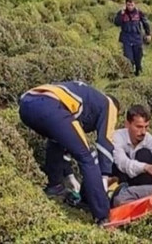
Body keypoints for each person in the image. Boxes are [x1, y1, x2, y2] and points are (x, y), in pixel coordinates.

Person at [18, 81, 119, 226]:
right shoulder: (109, 105)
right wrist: (104, 178)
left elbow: (67, 143)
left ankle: (55, 187)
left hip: (27, 104)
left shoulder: (89, 100)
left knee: (56, 140)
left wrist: (70, 175)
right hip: (50, 104)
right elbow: (105, 145)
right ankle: (103, 217)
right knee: (88, 157)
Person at [111, 104, 152, 206]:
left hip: (141, 184)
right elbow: (122, 162)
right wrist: (145, 167)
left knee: (145, 154)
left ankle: (139, 198)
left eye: (146, 127)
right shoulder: (117, 137)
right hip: (120, 178)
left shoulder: (151, 141)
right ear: (127, 124)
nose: (143, 132)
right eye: (139, 127)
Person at [114, 0, 151, 76]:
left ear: (134, 4)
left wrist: (148, 34)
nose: (130, 7)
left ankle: (138, 71)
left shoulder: (139, 13)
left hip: (137, 38)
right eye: (128, 5)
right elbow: (116, 23)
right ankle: (129, 73)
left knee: (138, 58)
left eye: (132, 5)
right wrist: (121, 14)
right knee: (129, 58)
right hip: (126, 39)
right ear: (126, 5)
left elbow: (145, 23)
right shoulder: (122, 13)